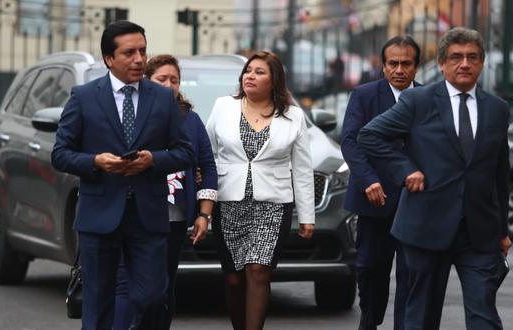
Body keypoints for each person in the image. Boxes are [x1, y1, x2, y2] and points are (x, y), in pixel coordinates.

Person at [358, 27, 512, 330]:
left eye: (472, 57)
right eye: (456, 57)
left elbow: (500, 173)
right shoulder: (419, 100)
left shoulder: (497, 109)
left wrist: (503, 230)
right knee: (421, 316)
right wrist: (405, 170)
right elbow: (370, 135)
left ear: (481, 63)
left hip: (478, 232)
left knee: (484, 314)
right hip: (425, 226)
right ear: (442, 64)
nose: (464, 64)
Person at [51, 21, 193, 329]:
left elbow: (184, 152)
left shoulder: (162, 98)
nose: (140, 59)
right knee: (98, 303)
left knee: (153, 296)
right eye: (129, 53)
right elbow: (60, 154)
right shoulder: (84, 97)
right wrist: (97, 162)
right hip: (99, 214)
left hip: (148, 215)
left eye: (142, 51)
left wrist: (152, 160)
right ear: (109, 59)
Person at [205, 50, 315, 330]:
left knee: (258, 271)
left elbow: (302, 169)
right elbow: (208, 154)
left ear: (274, 80)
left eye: (259, 72)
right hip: (229, 201)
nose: (250, 76)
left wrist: (307, 216)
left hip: (273, 205)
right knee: (234, 277)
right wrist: (204, 201)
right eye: (248, 71)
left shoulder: (293, 116)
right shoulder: (223, 107)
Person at [113, 54, 217, 329]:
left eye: (175, 80)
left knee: (163, 287)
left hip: (173, 216)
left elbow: (207, 166)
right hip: (132, 211)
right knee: (127, 285)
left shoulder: (191, 120)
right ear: (146, 81)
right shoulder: (130, 114)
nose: (169, 85)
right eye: (162, 79)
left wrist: (204, 214)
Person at [341, 35, 421, 330]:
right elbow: (350, 141)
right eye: (393, 64)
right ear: (383, 66)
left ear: (416, 66)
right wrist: (368, 180)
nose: (399, 70)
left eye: (406, 64)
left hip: (415, 201)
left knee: (412, 275)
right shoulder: (364, 95)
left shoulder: (428, 97)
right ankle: (369, 321)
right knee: (371, 269)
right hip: (374, 200)